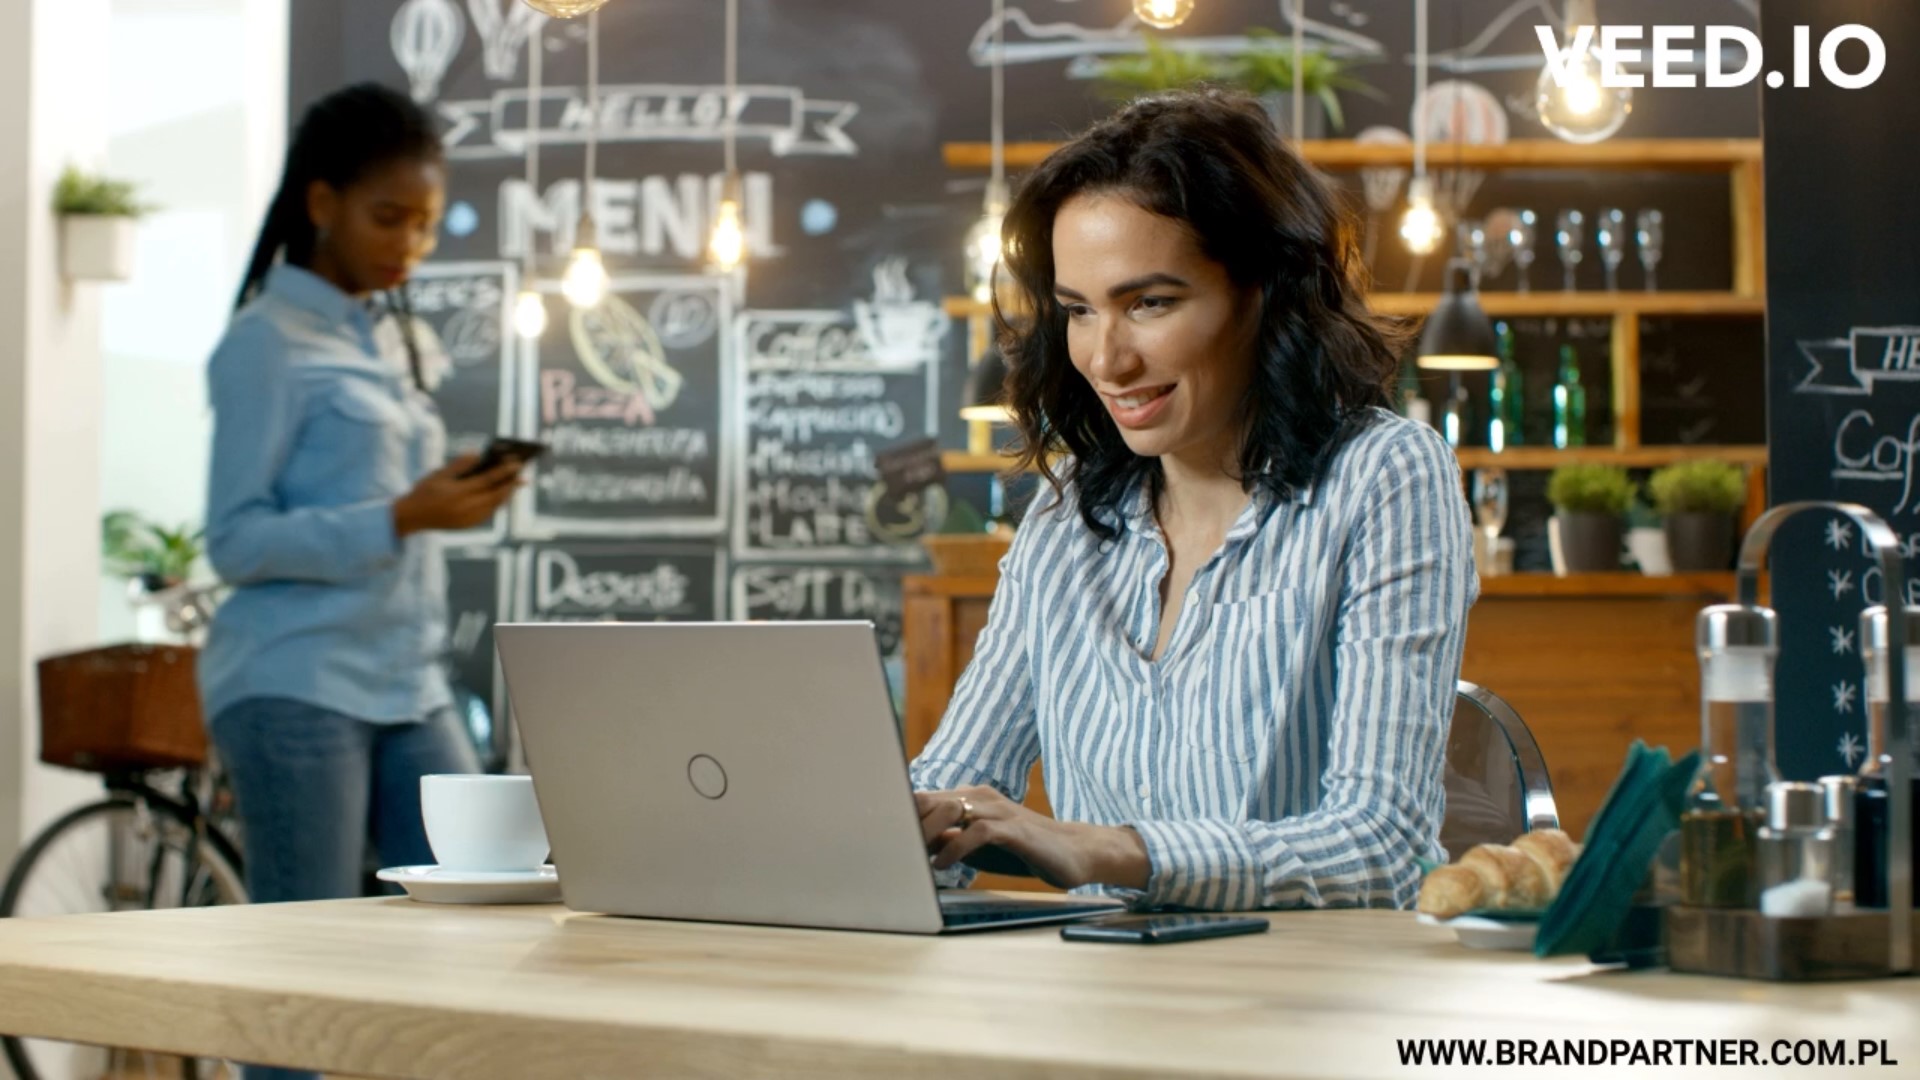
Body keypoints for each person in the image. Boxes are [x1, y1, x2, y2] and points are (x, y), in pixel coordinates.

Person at [910, 89, 1477, 912]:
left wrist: (1105, 849)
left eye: (1150, 303)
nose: (1106, 359)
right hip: (1100, 998)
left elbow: (1379, 843)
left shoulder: (1386, 476)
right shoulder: (1069, 518)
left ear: (1263, 292)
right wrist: (894, 832)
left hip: (1310, 1004)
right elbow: (955, 785)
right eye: (1077, 311)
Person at [199, 82, 523, 936]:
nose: (410, 245)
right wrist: (402, 516)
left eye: (426, 223)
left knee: (476, 919)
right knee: (302, 953)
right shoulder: (263, 344)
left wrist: (443, 497)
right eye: (390, 218)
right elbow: (232, 540)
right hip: (296, 680)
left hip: (408, 680)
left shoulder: (385, 336)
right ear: (322, 202)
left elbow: (385, 497)